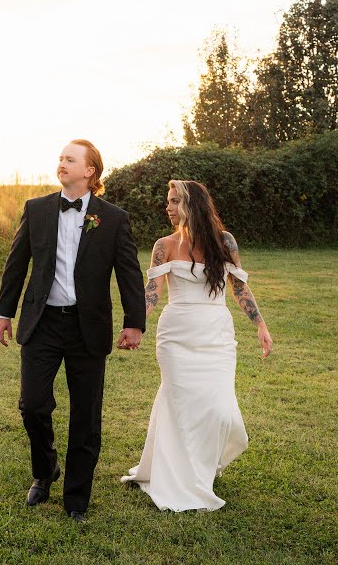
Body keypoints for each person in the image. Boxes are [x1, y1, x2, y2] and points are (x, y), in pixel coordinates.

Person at [0, 139, 146, 523]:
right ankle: (45, 471)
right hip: (42, 322)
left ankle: (76, 497)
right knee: (32, 405)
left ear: (89, 171)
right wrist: (4, 313)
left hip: (87, 327)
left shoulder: (113, 218)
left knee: (86, 415)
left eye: (70, 159)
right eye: (60, 158)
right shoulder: (37, 209)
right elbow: (17, 263)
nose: (61, 163)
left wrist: (134, 321)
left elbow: (128, 272)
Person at [121, 179, 273, 511]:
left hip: (216, 336)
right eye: (168, 201)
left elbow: (239, 288)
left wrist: (260, 325)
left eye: (175, 201)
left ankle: (200, 467)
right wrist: (135, 325)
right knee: (180, 406)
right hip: (176, 337)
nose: (168, 207)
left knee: (220, 410)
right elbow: (152, 292)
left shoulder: (225, 242)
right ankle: (181, 477)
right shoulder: (164, 245)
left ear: (194, 205)